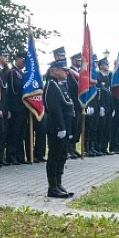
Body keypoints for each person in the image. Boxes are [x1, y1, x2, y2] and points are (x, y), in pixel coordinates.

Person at [43, 59, 74, 198]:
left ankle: (59, 183)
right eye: (64, 70)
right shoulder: (51, 85)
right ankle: (52, 187)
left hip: (65, 126)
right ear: (55, 70)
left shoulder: (60, 85)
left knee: (62, 156)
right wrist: (60, 127)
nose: (67, 72)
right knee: (54, 156)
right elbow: (55, 109)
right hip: (57, 127)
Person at [5, 52, 29, 164]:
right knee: (14, 133)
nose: (24, 63)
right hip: (15, 107)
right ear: (17, 59)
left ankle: (20, 156)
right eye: (22, 60)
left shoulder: (23, 73)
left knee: (21, 133)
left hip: (23, 107)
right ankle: (11, 156)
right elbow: (12, 90)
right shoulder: (12, 73)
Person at [94, 56, 114, 155]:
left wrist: (113, 107)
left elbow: (111, 93)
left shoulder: (108, 76)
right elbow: (99, 93)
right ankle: (97, 147)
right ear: (101, 66)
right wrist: (100, 106)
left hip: (109, 106)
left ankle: (104, 147)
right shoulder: (98, 76)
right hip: (102, 106)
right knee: (100, 128)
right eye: (106, 64)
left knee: (107, 128)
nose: (108, 66)